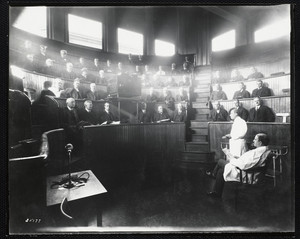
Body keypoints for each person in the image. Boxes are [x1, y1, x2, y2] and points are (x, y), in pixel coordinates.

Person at [207, 133, 270, 198]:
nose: (253, 140)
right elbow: (248, 161)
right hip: (244, 167)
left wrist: (230, 156)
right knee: (221, 170)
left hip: (244, 172)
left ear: (260, 142)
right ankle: (217, 192)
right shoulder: (262, 150)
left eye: (255, 139)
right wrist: (237, 158)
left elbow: (244, 165)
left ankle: (213, 175)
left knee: (220, 161)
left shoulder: (258, 153)